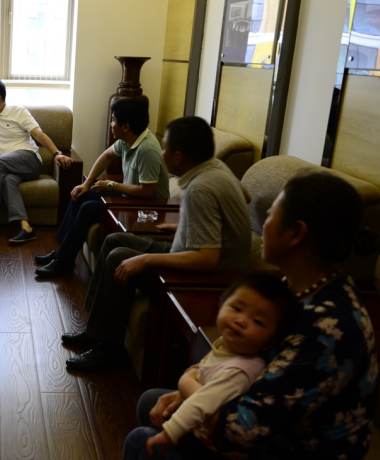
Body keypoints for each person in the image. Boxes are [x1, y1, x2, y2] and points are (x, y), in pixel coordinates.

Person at [132, 172, 378, 459]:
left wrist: (188, 386)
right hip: (264, 418)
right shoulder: (305, 285)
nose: (262, 224)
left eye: (270, 215)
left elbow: (238, 431)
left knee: (140, 441)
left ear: (296, 233)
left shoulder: (327, 327)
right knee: (151, 402)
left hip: (291, 446)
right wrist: (191, 391)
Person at [62, 116, 251, 372]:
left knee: (119, 257)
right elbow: (244, 197)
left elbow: (208, 260)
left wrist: (145, 259)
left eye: (165, 148)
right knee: (114, 240)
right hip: (187, 249)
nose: (161, 153)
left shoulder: (201, 188)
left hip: (206, 275)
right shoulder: (216, 167)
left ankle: (110, 350)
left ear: (178, 157)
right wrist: (189, 224)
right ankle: (96, 332)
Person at [126, 273, 298, 459]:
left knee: (139, 439)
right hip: (199, 428)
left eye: (257, 321)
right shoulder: (228, 346)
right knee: (149, 403)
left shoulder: (238, 372)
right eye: (237, 308)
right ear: (221, 304)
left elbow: (202, 402)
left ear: (270, 343)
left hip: (208, 447)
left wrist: (170, 432)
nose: (241, 320)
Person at [35, 97, 169, 278]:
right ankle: (61, 254)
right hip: (130, 197)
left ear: (126, 126)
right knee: (80, 195)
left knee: (88, 208)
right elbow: (106, 156)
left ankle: (63, 262)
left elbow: (147, 191)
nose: (111, 124)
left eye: (113, 120)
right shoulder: (128, 139)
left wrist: (112, 185)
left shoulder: (147, 150)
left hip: (146, 208)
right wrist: (86, 184)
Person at [0, 78, 72, 243]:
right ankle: (26, 228)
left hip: (29, 159)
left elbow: (38, 134)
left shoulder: (18, 112)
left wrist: (56, 153)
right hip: (7, 165)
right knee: (8, 180)